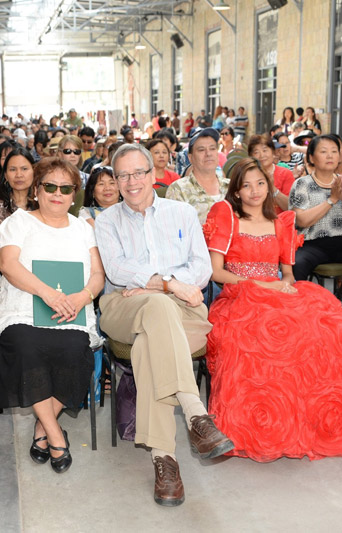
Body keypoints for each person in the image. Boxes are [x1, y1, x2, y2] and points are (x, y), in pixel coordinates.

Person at [203, 158, 342, 461]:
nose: (255, 191)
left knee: (330, 333)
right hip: (239, 298)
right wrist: (260, 286)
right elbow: (216, 272)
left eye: (260, 183)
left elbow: (288, 272)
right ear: (237, 191)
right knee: (264, 346)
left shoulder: (280, 221)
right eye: (246, 185)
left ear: (269, 187)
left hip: (278, 292)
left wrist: (287, 284)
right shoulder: (226, 215)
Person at [95, 143, 234, 507]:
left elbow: (202, 268)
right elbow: (116, 270)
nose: (131, 181)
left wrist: (154, 282)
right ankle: (196, 413)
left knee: (148, 344)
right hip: (123, 306)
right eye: (122, 175)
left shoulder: (182, 212)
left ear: (153, 174)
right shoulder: (107, 220)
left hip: (180, 310)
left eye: (138, 172)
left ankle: (164, 459)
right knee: (156, 304)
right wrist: (169, 284)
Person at [0, 157, 103, 474]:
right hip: (23, 310)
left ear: (74, 194)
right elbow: (9, 266)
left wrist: (82, 297)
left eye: (66, 188)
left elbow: (97, 276)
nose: (58, 193)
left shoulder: (83, 228)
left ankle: (42, 429)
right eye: (50, 186)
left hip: (72, 311)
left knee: (74, 351)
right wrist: (47, 293)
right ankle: (55, 434)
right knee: (27, 348)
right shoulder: (19, 222)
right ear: (36, 190)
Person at [288, 135, 342, 281]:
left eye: (334, 151)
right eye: (323, 151)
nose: (329, 156)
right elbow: (301, 221)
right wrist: (332, 200)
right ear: (311, 158)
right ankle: (298, 302)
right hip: (312, 244)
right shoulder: (302, 184)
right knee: (297, 264)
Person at [166, 128, 229, 224]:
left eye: (212, 148)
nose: (208, 154)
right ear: (191, 158)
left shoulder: (231, 186)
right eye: (201, 150)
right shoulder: (179, 190)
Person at [0, 147, 35, 261]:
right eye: (13, 169)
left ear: (34, 171)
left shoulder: (43, 204)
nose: (19, 174)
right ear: (6, 176)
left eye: (24, 169)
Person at [247, 135, 294, 213]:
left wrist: (273, 188)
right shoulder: (247, 175)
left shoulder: (285, 174)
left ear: (273, 152)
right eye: (256, 152)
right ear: (251, 156)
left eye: (265, 150)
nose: (262, 155)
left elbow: (290, 207)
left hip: (280, 222)